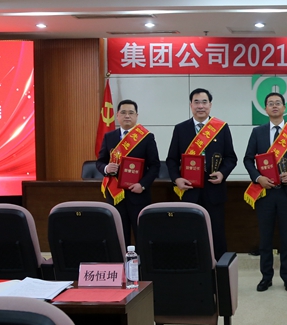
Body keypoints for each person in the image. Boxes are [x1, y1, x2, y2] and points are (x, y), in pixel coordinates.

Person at [243, 92, 287, 293]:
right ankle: (266, 277)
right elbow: (247, 159)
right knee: (265, 238)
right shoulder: (258, 132)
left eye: (278, 103)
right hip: (265, 192)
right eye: (270, 103)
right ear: (265, 109)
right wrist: (258, 178)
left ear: (284, 107)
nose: (274, 106)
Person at [166, 88, 238, 257]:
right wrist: (176, 179)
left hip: (214, 188)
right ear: (190, 105)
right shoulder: (180, 129)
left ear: (210, 105)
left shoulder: (221, 128)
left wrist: (222, 173)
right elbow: (171, 160)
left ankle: (218, 269)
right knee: (190, 232)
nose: (200, 106)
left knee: (216, 232)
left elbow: (231, 158)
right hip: (189, 189)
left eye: (204, 102)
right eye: (196, 102)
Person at [96, 99, 161, 245]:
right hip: (115, 195)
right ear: (117, 115)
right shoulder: (109, 137)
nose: (127, 116)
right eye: (123, 112)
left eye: (131, 113)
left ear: (136, 116)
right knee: (118, 235)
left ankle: (142, 260)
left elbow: (155, 166)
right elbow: (100, 162)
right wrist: (106, 168)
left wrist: (142, 185)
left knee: (141, 235)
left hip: (138, 194)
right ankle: (120, 260)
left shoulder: (146, 137)